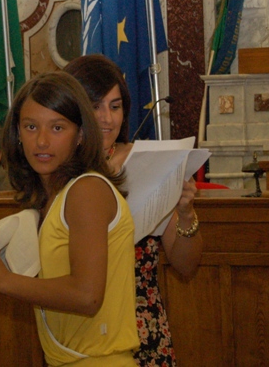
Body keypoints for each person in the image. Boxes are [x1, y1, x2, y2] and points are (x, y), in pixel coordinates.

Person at [0, 71, 139, 366]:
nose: (41, 141)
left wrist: (2, 279)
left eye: (57, 127)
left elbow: (87, 296)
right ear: (16, 134)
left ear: (80, 134)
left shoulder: (87, 189)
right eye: (31, 127)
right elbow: (53, 282)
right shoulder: (51, 195)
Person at [64, 54, 203, 367]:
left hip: (143, 330)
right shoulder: (58, 171)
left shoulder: (147, 162)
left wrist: (185, 213)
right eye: (95, 106)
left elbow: (186, 265)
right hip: (79, 329)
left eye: (115, 107)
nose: (107, 119)